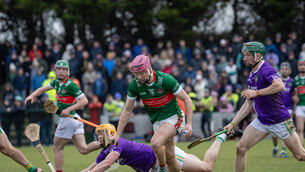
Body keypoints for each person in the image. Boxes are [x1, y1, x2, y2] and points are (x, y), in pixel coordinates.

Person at [224, 42, 305, 172]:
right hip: (262, 121)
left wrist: (257, 92)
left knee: (300, 156)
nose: (245, 58)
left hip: (280, 121)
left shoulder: (266, 69)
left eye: (248, 55)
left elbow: (280, 85)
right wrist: (233, 124)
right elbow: (249, 103)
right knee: (240, 148)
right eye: (244, 55)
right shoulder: (252, 74)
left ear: (257, 55)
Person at [114, 55, 193, 172]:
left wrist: (189, 123)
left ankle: (160, 169)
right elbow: (127, 110)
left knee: (155, 143)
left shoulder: (165, 79)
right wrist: (117, 134)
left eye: (141, 73)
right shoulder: (134, 85)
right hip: (157, 122)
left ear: (149, 68)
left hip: (175, 117)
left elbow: (187, 99)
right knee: (170, 158)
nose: (139, 77)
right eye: (136, 75)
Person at [25, 59, 101, 172]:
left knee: (57, 148)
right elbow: (43, 89)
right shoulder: (56, 82)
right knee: (83, 149)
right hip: (75, 119)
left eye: (64, 69)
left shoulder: (71, 85)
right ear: (55, 70)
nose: (61, 72)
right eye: (59, 69)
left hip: (68, 120)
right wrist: (33, 95)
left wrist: (68, 109)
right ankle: (105, 142)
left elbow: (84, 101)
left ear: (68, 72)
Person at [81, 124, 243, 172]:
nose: (99, 138)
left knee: (206, 167)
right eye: (98, 135)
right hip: (155, 168)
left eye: (101, 134)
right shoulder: (106, 150)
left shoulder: (117, 144)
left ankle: (221, 136)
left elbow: (107, 164)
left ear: (110, 134)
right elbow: (94, 165)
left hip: (164, 158)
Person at [272, 62, 294, 158]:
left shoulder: (292, 82)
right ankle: (276, 147)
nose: (284, 71)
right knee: (274, 133)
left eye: (286, 69)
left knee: (285, 130)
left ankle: (283, 151)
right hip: (276, 108)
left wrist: (295, 106)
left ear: (289, 71)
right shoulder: (277, 81)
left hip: (287, 109)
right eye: (282, 69)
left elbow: (294, 95)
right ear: (280, 70)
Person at [294, 58, 305, 145]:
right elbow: (295, 95)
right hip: (300, 106)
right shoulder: (296, 79)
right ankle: (301, 150)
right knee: (300, 129)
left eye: (303, 65)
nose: (302, 67)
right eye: (300, 65)